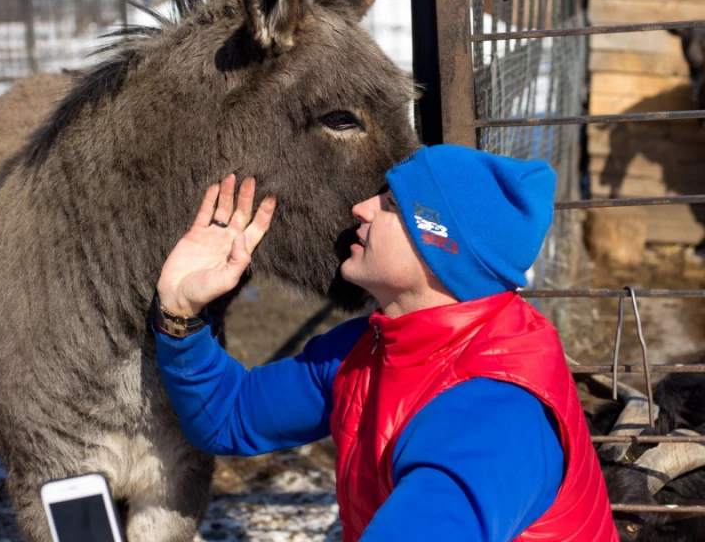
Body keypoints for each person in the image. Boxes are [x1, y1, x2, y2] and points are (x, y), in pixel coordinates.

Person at [150, 144, 618, 542]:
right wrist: (181, 309)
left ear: (438, 245)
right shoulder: (371, 348)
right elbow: (229, 417)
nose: (362, 207)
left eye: (391, 204)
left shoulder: (493, 415)